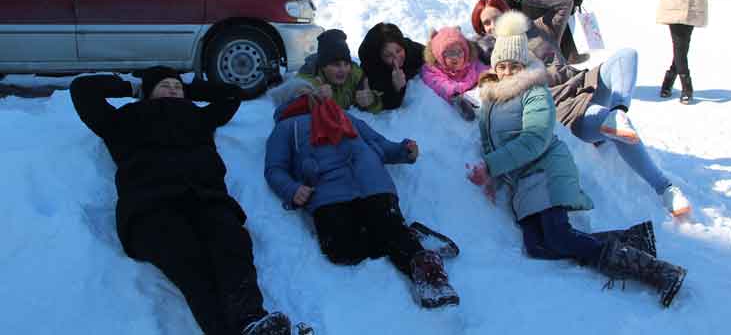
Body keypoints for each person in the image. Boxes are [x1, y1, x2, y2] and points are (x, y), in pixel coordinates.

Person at [466, 11, 687, 308]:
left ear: (524, 64)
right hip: (521, 181)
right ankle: (632, 239)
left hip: (545, 170)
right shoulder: (492, 99)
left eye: (514, 65)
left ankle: (658, 272)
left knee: (559, 238)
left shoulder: (535, 91)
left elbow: (534, 140)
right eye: (502, 65)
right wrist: (494, 175)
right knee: (537, 246)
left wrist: (491, 167)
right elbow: (491, 141)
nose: (507, 71)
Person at [70, 67, 294, 335]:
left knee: (232, 245)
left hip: (207, 198)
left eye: (177, 86)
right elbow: (82, 90)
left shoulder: (199, 116)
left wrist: (192, 86)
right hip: (151, 206)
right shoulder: (124, 120)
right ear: (148, 93)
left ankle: (250, 319)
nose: (174, 89)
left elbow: (231, 96)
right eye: (165, 85)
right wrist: (131, 87)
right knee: (191, 265)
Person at [471, 0, 691, 217]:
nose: (491, 26)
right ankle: (665, 188)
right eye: (485, 24)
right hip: (564, 105)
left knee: (627, 56)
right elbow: (458, 65)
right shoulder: (491, 54)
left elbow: (565, 4)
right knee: (609, 123)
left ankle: (618, 111)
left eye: (495, 18)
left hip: (584, 82)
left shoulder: (537, 29)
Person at [264, 79, 459, 309]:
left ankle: (430, 276)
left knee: (388, 228)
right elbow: (275, 168)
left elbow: (377, 142)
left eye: (310, 91)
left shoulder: (342, 115)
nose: (311, 95)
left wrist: (403, 151)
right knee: (342, 250)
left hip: (372, 181)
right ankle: (406, 234)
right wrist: (292, 189)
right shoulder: (286, 127)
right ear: (289, 100)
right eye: (301, 93)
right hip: (328, 193)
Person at [297, 29, 382, 113]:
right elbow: (291, 92)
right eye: (336, 64)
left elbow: (378, 107)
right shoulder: (310, 76)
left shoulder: (355, 74)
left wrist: (372, 101)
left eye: (346, 64)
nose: (343, 70)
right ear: (323, 66)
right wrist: (312, 98)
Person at [420, 26, 488, 121]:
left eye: (459, 51)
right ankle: (462, 105)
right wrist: (453, 93)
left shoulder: (471, 61)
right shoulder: (434, 70)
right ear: (439, 56)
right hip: (456, 94)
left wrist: (489, 77)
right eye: (450, 53)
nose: (456, 56)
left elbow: (482, 69)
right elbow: (439, 83)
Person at [357, 22, 425, 110]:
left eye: (398, 51)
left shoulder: (409, 48)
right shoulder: (374, 69)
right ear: (379, 57)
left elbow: (430, 52)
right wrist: (398, 88)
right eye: (388, 55)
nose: (396, 58)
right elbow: (388, 103)